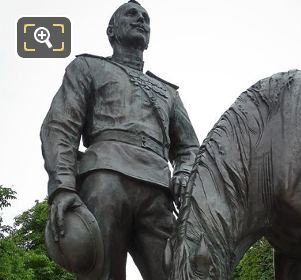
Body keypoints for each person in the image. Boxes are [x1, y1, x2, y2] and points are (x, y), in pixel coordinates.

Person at [40, 1, 199, 279]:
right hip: (106, 181)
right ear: (111, 30)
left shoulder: (168, 92)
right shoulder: (87, 67)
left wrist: (185, 171)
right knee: (102, 273)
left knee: (177, 272)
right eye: (132, 14)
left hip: (158, 190)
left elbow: (188, 147)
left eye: (146, 18)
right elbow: (60, 126)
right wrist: (62, 186)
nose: (141, 20)